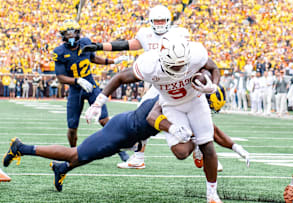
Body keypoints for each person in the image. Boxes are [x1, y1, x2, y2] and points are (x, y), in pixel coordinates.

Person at [85, 34, 222, 203]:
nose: (179, 69)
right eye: (175, 65)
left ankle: (212, 195)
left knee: (207, 145)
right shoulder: (149, 64)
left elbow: (214, 67)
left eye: (182, 64)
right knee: (180, 152)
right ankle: (189, 142)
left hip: (194, 100)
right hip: (170, 103)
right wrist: (98, 103)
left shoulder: (195, 53)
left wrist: (213, 85)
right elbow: (120, 77)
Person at [2, 96, 191, 192]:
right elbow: (154, 120)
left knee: (89, 155)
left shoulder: (173, 97)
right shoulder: (170, 99)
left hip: (127, 133)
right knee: (75, 153)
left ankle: (62, 169)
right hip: (122, 131)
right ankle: (21, 148)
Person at [80, 5, 189, 169]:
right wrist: (99, 46)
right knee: (143, 116)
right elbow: (124, 45)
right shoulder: (146, 34)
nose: (159, 24)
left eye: (162, 21)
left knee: (189, 113)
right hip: (157, 82)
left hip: (176, 81)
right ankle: (139, 157)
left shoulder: (178, 34)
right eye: (156, 21)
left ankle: (201, 150)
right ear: (151, 22)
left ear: (168, 21)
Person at [52, 19, 126, 147]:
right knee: (72, 127)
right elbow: (60, 77)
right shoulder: (60, 52)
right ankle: (74, 152)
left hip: (91, 86)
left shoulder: (85, 43)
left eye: (73, 33)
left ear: (78, 33)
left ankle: (120, 150)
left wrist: (113, 61)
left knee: (104, 119)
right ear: (63, 36)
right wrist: (77, 80)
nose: (71, 36)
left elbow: (94, 58)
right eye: (67, 34)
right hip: (75, 90)